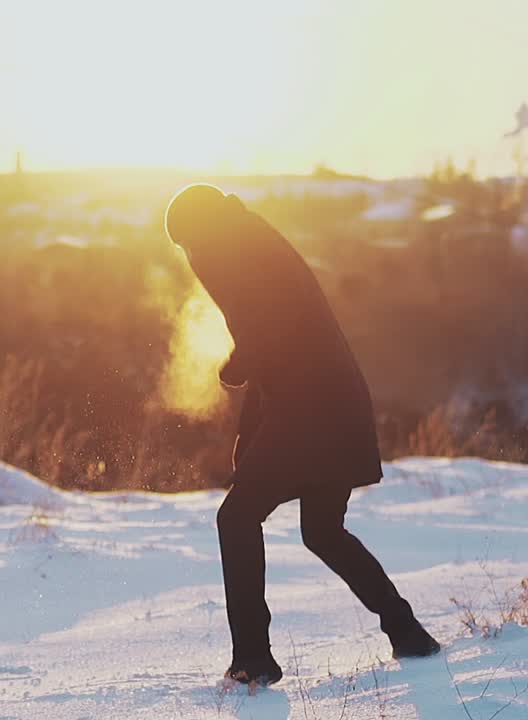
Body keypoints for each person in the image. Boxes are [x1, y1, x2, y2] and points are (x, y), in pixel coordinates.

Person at [164, 184, 441, 687]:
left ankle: (253, 658)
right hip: (329, 407)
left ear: (200, 233)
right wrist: (249, 426)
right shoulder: (250, 240)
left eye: (189, 245)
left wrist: (237, 364)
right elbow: (274, 342)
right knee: (323, 531)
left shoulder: (243, 250)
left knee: (237, 518)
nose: (191, 257)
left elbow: (275, 324)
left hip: (313, 410)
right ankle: (408, 632)